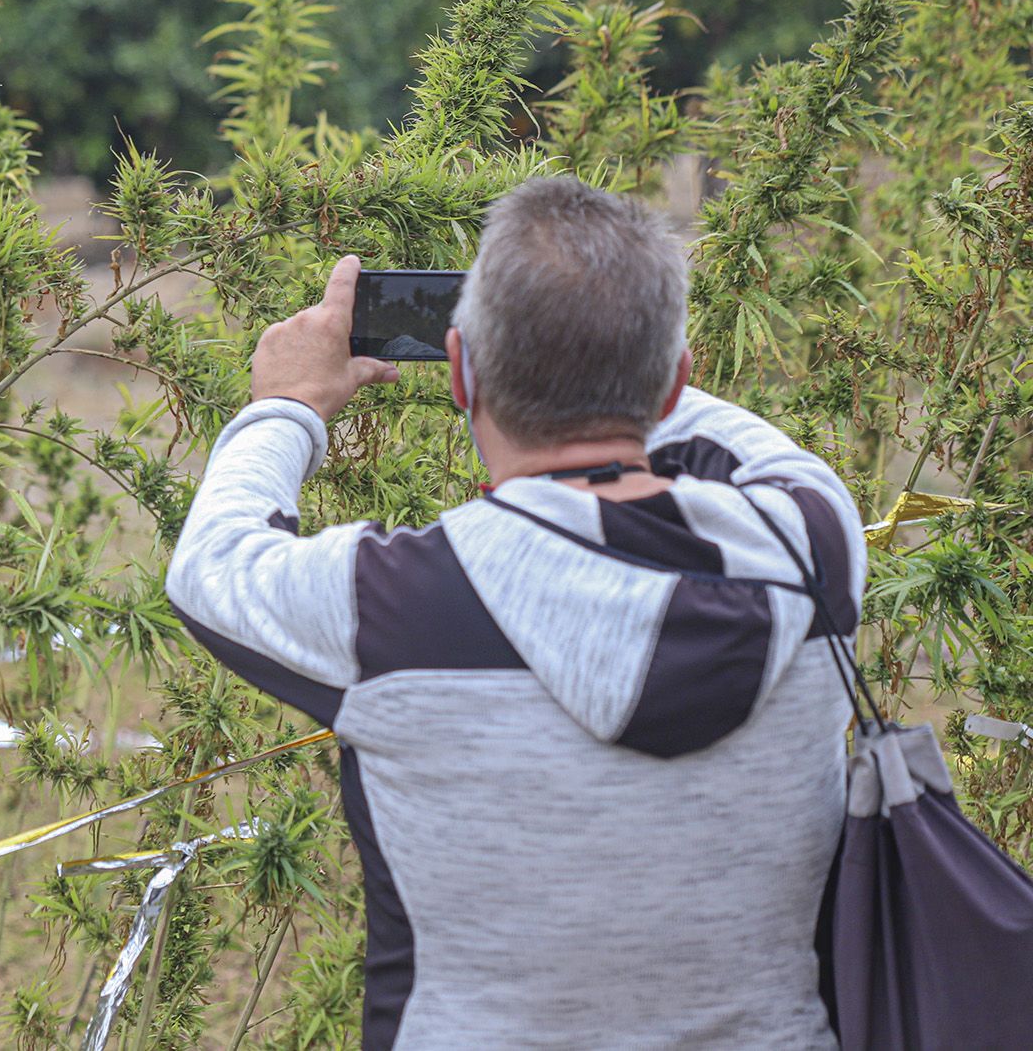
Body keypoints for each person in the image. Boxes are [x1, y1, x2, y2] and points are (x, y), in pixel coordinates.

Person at [166, 176, 861, 1049]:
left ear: (460, 370)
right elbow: (752, 447)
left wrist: (287, 404)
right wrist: (599, 326)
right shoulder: (812, 546)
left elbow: (212, 562)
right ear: (675, 378)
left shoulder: (394, 608)